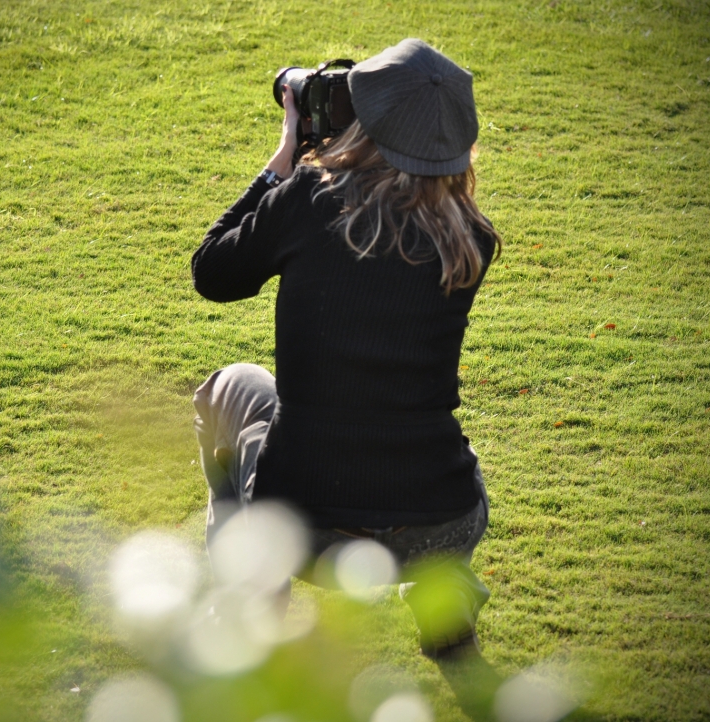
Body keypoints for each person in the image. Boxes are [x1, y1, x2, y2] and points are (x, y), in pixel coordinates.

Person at [190, 38, 502, 661]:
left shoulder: (308, 200)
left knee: (228, 387)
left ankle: (253, 595)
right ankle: (447, 605)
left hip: (306, 531)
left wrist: (287, 151)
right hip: (442, 521)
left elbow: (213, 273)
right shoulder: (471, 237)